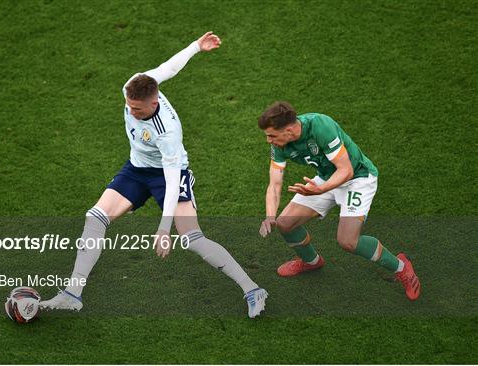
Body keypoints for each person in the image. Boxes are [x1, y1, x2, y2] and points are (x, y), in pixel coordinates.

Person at [40, 32, 267, 318]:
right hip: (136, 169)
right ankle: (72, 294)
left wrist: (163, 229)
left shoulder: (167, 132)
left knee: (192, 238)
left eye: (137, 109)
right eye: (129, 105)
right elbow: (168, 68)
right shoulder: (134, 86)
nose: (131, 112)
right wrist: (196, 46)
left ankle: (252, 289)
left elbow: (172, 183)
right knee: (95, 217)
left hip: (168, 175)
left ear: (154, 102)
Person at [258, 101, 420, 301]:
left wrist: (321, 189)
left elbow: (346, 170)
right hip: (326, 178)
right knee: (285, 223)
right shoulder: (280, 145)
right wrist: (270, 216)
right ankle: (311, 261)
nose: (268, 141)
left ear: (289, 130)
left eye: (272, 135)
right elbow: (274, 183)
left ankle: (402, 267)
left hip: (357, 179)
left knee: (348, 241)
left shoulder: (320, 126)